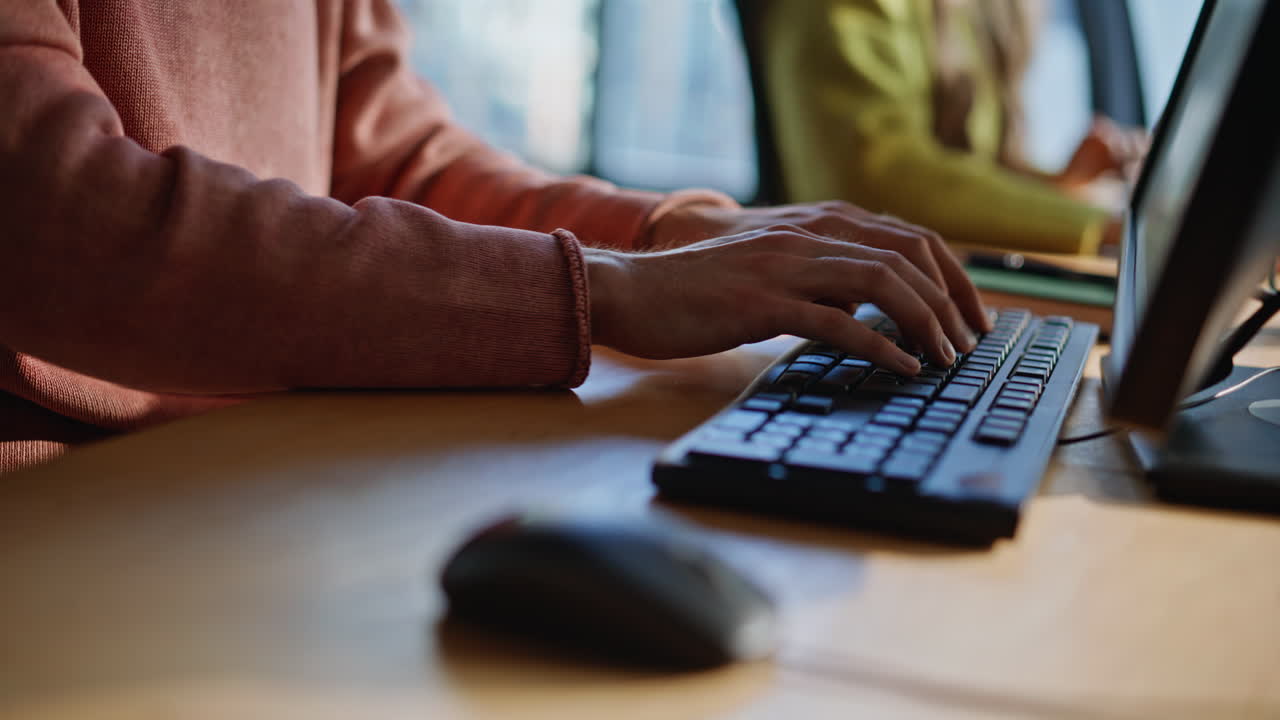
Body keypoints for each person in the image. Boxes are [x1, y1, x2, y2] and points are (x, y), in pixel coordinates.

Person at [0, 0, 990, 472]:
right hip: (60, 513)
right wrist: (603, 290)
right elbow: (56, 218)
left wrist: (669, 233)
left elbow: (392, 155)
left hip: (258, 463)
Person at [745, 0, 1148, 255]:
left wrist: (1061, 186)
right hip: (861, 286)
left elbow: (964, 165)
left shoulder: (979, 13)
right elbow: (877, 179)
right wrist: (1101, 224)